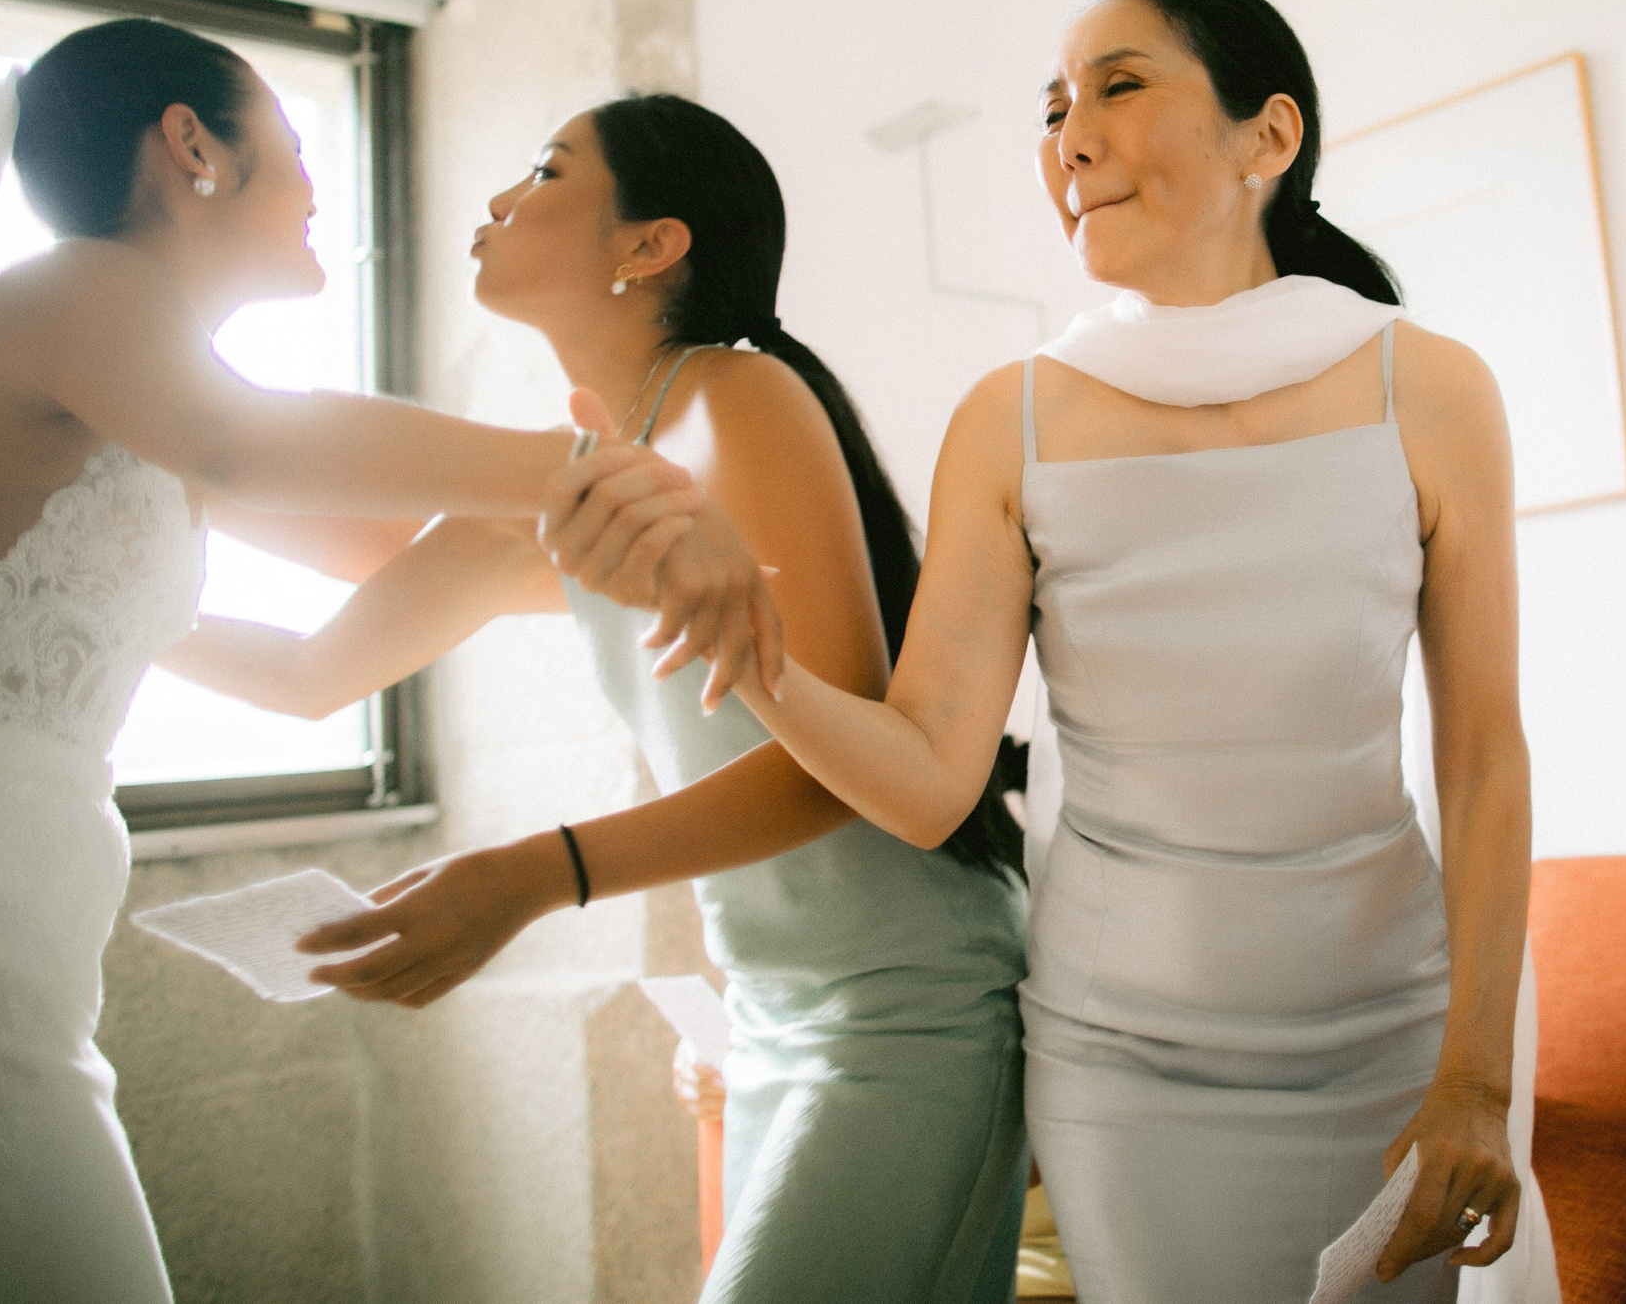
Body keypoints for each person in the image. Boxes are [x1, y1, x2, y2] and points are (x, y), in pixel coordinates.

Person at [471, 0, 1545, 1301]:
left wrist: (1477, 1081)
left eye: (1119, 85)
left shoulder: (1428, 389)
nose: (1070, 136)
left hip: (1389, 1033)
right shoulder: (1013, 417)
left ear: (1269, 135)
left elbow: (1484, 759)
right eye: (1051, 108)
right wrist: (758, 650)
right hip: (1123, 1055)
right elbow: (927, 778)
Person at [0, 23, 745, 1304]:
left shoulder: (131, 383)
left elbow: (362, 570)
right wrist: (603, 477)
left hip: (11, 912)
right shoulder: (82, 288)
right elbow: (253, 449)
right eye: (293, 150)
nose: (313, 190)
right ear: (192, 147)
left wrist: (632, 528)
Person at [163, 94, 1033, 1304]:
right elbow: (312, 676)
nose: (498, 198)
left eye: (545, 169)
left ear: (649, 245)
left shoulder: (734, 395)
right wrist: (83, 602)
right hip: (777, 1007)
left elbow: (826, 777)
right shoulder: (573, 479)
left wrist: (532, 874)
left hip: (908, 1007)